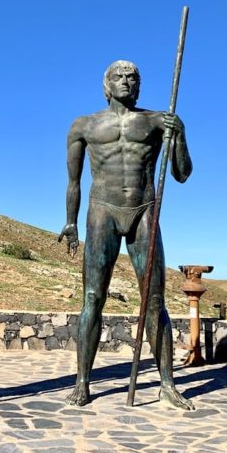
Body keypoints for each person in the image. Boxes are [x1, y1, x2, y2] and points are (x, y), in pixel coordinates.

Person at [58, 60, 193, 409]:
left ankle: (167, 384)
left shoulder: (156, 122)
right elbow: (73, 182)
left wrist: (177, 135)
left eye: (133, 77)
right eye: (118, 77)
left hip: (144, 211)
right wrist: (71, 222)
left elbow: (182, 174)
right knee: (92, 298)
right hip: (101, 210)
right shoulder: (83, 125)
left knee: (154, 300)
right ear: (105, 85)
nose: (126, 82)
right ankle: (83, 382)